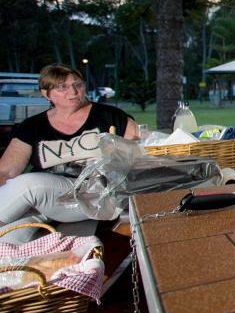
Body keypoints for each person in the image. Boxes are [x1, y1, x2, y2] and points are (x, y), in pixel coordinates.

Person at [0, 64, 139, 241]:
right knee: (6, 239)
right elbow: (6, 172)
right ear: (46, 93)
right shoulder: (32, 126)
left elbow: (141, 152)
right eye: (62, 87)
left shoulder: (111, 116)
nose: (73, 91)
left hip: (97, 194)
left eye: (78, 85)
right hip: (51, 200)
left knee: (29, 185)